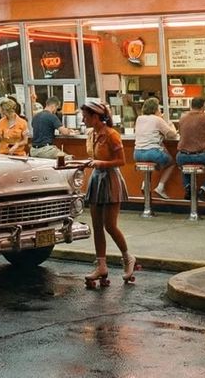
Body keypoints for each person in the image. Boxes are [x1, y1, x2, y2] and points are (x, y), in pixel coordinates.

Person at [81, 100, 136, 286]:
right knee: (96, 225)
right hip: (96, 179)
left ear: (96, 117)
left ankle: (128, 258)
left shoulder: (112, 135)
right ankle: (101, 265)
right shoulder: (91, 134)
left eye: (86, 116)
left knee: (110, 225)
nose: (83, 119)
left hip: (111, 179)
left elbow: (121, 161)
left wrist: (101, 164)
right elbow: (93, 157)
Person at [133, 96, 177, 199]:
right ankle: (160, 187)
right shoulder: (157, 119)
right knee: (171, 163)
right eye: (159, 108)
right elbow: (172, 135)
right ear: (156, 109)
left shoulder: (139, 118)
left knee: (149, 164)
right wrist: (171, 125)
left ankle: (145, 183)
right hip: (153, 153)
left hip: (137, 154)